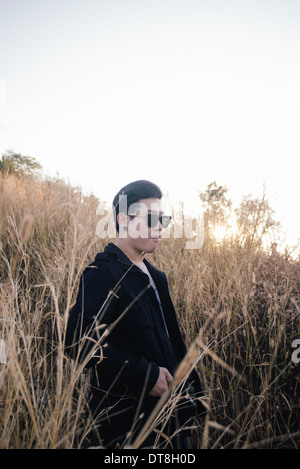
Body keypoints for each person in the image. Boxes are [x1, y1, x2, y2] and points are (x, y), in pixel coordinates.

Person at [65, 180, 204, 448]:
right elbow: (76, 341)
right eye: (151, 218)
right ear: (124, 220)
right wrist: (144, 373)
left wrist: (188, 396)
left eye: (163, 219)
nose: (160, 227)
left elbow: (169, 342)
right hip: (131, 426)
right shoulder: (103, 273)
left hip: (173, 416)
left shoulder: (156, 277)